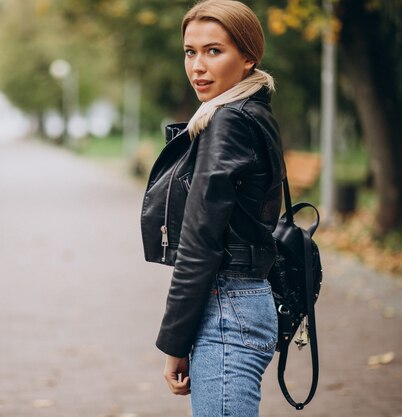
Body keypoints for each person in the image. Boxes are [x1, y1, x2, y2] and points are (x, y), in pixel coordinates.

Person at [155, 1, 285, 416]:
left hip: (228, 309)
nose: (198, 66)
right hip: (243, 302)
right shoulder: (252, 112)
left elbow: (200, 242)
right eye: (190, 52)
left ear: (248, 57)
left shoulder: (228, 122)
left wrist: (175, 342)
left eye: (214, 51)